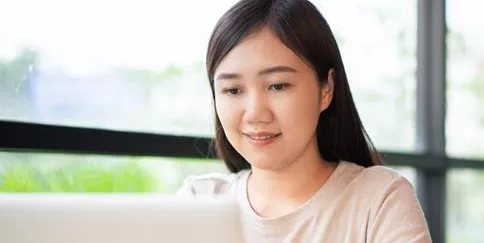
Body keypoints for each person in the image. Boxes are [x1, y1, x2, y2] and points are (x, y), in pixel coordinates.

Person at [178, 0, 432, 242]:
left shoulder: (379, 201)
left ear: (326, 89)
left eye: (278, 86)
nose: (255, 113)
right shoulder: (199, 201)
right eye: (232, 90)